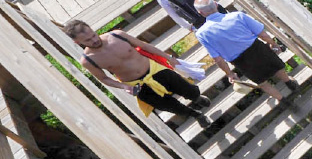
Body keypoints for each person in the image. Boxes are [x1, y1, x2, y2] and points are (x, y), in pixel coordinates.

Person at [64, 20, 210, 124]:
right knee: (168, 106)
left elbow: (144, 46)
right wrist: (124, 86)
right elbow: (104, 79)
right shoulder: (88, 60)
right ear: (78, 43)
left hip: (154, 70)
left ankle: (197, 98)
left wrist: (167, 57)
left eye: (93, 35)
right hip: (137, 84)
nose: (94, 40)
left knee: (185, 88)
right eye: (88, 40)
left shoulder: (117, 35)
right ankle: (195, 114)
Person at [193, 0, 296, 101]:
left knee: (262, 83)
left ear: (200, 12)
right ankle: (289, 83)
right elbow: (262, 34)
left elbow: (218, 59)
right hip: (257, 48)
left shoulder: (202, 34)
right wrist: (274, 44)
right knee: (276, 68)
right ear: (216, 4)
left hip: (240, 61)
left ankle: (284, 101)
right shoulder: (237, 16)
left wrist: (230, 74)